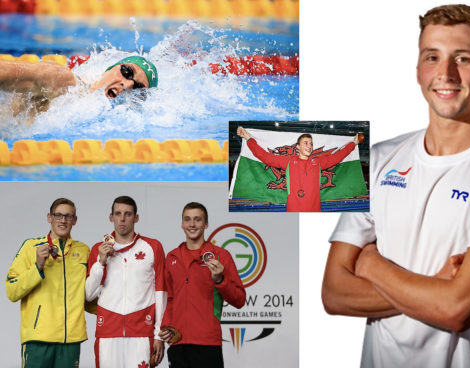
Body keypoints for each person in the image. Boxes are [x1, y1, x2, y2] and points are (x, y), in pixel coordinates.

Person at [322, 4, 470, 368]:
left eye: (464, 59)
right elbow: (333, 293)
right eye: (432, 57)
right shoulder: (376, 159)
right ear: (418, 70)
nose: (446, 73)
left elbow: (457, 309)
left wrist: (371, 264)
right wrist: (435, 285)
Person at [159, 202, 246, 368]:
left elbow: (239, 300)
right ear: (182, 224)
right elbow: (169, 299)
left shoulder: (221, 256)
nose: (192, 224)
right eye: (188, 219)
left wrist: (220, 280)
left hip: (207, 343)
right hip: (178, 343)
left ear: (206, 224)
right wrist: (166, 327)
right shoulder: (172, 257)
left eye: (197, 220)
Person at [6, 198, 90, 368]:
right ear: (49, 217)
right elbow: (12, 290)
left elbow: (89, 296)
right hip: (38, 339)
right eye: (58, 215)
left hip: (71, 339)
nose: (63, 220)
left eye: (68, 216)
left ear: (75, 220)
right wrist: (38, 266)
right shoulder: (31, 247)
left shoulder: (84, 251)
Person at [86, 196, 166, 368]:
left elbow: (161, 292)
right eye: (118, 214)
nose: (122, 219)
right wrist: (101, 262)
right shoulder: (98, 249)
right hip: (108, 331)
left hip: (141, 332)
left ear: (136, 218)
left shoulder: (153, 247)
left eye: (128, 214)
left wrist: (158, 334)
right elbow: (89, 294)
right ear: (111, 217)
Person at [237, 126, 362, 212]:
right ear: (298, 147)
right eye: (306, 143)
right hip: (293, 211)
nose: (309, 146)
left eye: (311, 143)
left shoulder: (317, 162)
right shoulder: (289, 161)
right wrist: (248, 138)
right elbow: (265, 156)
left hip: (314, 211)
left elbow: (337, 157)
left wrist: (353, 143)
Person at [0, 55, 158, 117]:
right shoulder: (63, 82)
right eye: (127, 72)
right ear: (110, 68)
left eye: (138, 88)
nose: (128, 84)